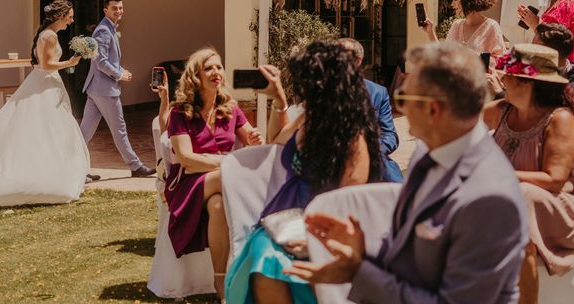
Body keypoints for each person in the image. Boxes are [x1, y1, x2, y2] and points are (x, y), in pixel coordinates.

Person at [285, 42, 528, 304]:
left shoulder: (490, 199)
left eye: (402, 99)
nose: (398, 109)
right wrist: (361, 252)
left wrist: (358, 272)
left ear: (433, 109)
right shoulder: (429, 152)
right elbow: (408, 251)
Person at [226, 40, 382, 304]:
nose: (302, 87)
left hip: (326, 224)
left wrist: (314, 240)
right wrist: (279, 99)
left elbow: (349, 201)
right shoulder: (308, 116)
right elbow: (275, 139)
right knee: (263, 250)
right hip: (289, 216)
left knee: (267, 257)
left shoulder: (352, 137)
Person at [0, 0, 90, 208]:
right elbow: (47, 65)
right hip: (44, 85)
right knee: (45, 128)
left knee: (49, 129)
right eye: (69, 16)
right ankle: (41, 178)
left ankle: (50, 173)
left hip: (45, 83)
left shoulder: (49, 34)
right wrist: (70, 63)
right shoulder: (50, 36)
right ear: (60, 16)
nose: (71, 20)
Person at [485, 43, 574, 303]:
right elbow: (459, 124)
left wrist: (501, 176)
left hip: (551, 206)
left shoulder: (559, 119)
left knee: (521, 196)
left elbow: (554, 180)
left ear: (526, 83)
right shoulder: (502, 110)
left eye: (508, 75)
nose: (502, 80)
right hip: (506, 200)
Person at [163, 47, 263, 300]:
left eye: (219, 67)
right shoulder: (179, 112)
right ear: (195, 76)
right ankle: (259, 228)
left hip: (219, 183)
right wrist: (228, 162)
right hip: (186, 183)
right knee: (232, 177)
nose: (216, 72)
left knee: (218, 206)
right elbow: (186, 159)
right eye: (209, 68)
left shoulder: (231, 108)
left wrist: (255, 139)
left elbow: (253, 145)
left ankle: (222, 281)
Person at [79, 0, 154, 179]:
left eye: (120, 8)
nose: (118, 11)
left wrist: (121, 70)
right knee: (119, 128)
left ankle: (71, 166)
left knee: (84, 132)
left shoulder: (109, 28)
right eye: (114, 8)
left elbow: (108, 60)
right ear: (105, 10)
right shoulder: (103, 30)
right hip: (105, 90)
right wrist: (119, 74)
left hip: (95, 89)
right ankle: (136, 166)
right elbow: (101, 61)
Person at [338, 37, 403, 182]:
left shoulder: (378, 93)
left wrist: (368, 152)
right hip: (334, 158)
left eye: (342, 56)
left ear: (357, 60)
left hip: (373, 156)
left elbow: (390, 135)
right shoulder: (322, 89)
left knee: (397, 184)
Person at [423, 0, 506, 66]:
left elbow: (500, 62)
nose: (452, 4)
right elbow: (443, 56)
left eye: (455, 0)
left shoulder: (491, 26)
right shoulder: (457, 25)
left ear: (468, 1)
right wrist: (430, 32)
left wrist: (469, 55)